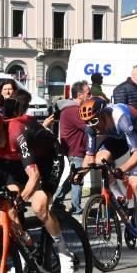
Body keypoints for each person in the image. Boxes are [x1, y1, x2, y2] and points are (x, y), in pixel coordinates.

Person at [0, 105, 74, 273]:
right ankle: (26, 255)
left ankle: (64, 252)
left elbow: (34, 176)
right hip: (22, 163)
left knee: (39, 206)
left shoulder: (17, 132)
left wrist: (22, 198)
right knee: (7, 204)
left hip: (50, 158)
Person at [74, 97, 137, 253]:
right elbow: (90, 157)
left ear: (104, 115)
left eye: (94, 121)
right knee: (100, 161)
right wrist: (80, 174)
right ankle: (120, 197)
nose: (92, 126)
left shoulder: (121, 118)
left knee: (135, 182)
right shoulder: (91, 126)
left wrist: (121, 170)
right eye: (88, 122)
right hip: (117, 139)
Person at [51, 81, 90, 215]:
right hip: (75, 149)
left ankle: (57, 201)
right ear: (80, 95)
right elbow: (88, 126)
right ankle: (76, 208)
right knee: (77, 179)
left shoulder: (71, 109)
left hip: (75, 148)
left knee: (73, 177)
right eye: (88, 93)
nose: (90, 97)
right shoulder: (73, 110)